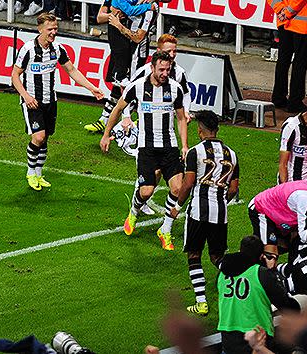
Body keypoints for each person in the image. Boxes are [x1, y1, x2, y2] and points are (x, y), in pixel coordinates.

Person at [100, 51, 188, 251]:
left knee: (177, 188)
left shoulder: (175, 89)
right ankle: (134, 210)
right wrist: (106, 135)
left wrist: (184, 145)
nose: (165, 73)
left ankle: (165, 229)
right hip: (147, 148)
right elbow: (117, 109)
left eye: (168, 69)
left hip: (169, 147)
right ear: (152, 68)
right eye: (162, 69)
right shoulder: (138, 87)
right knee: (147, 191)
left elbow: (181, 118)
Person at [11, 13, 104, 191]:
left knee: (45, 138)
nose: (54, 32)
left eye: (55, 29)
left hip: (50, 100)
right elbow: (15, 76)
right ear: (40, 29)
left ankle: (39, 174)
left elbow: (72, 70)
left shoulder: (58, 49)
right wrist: (26, 97)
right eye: (50, 29)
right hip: (32, 101)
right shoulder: (28, 49)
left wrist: (92, 88)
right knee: (38, 137)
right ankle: (30, 173)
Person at [171, 110, 239, 316]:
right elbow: (234, 189)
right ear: (216, 130)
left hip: (198, 212)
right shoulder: (232, 154)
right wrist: (220, 201)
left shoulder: (195, 152)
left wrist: (177, 206)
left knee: (194, 254)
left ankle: (201, 302)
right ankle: (240, 284)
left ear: (200, 131)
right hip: (221, 213)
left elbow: (188, 183)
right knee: (217, 256)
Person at [217, 235, 307, 354]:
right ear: (261, 256)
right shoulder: (260, 274)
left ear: (240, 251)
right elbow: (288, 306)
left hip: (228, 342)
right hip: (256, 340)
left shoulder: (221, 275)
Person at [84, 0, 156, 133]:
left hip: (137, 52)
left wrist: (118, 24)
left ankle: (137, 120)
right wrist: (114, 15)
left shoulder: (150, 9)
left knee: (130, 86)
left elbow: (138, 38)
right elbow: (102, 16)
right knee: (119, 83)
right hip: (126, 48)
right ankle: (105, 119)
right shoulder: (134, 3)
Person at [268, 0, 307, 113]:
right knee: (300, 62)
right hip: (301, 21)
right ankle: (295, 101)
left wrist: (282, 10)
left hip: (285, 20)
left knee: (283, 60)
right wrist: (287, 12)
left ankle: (278, 98)